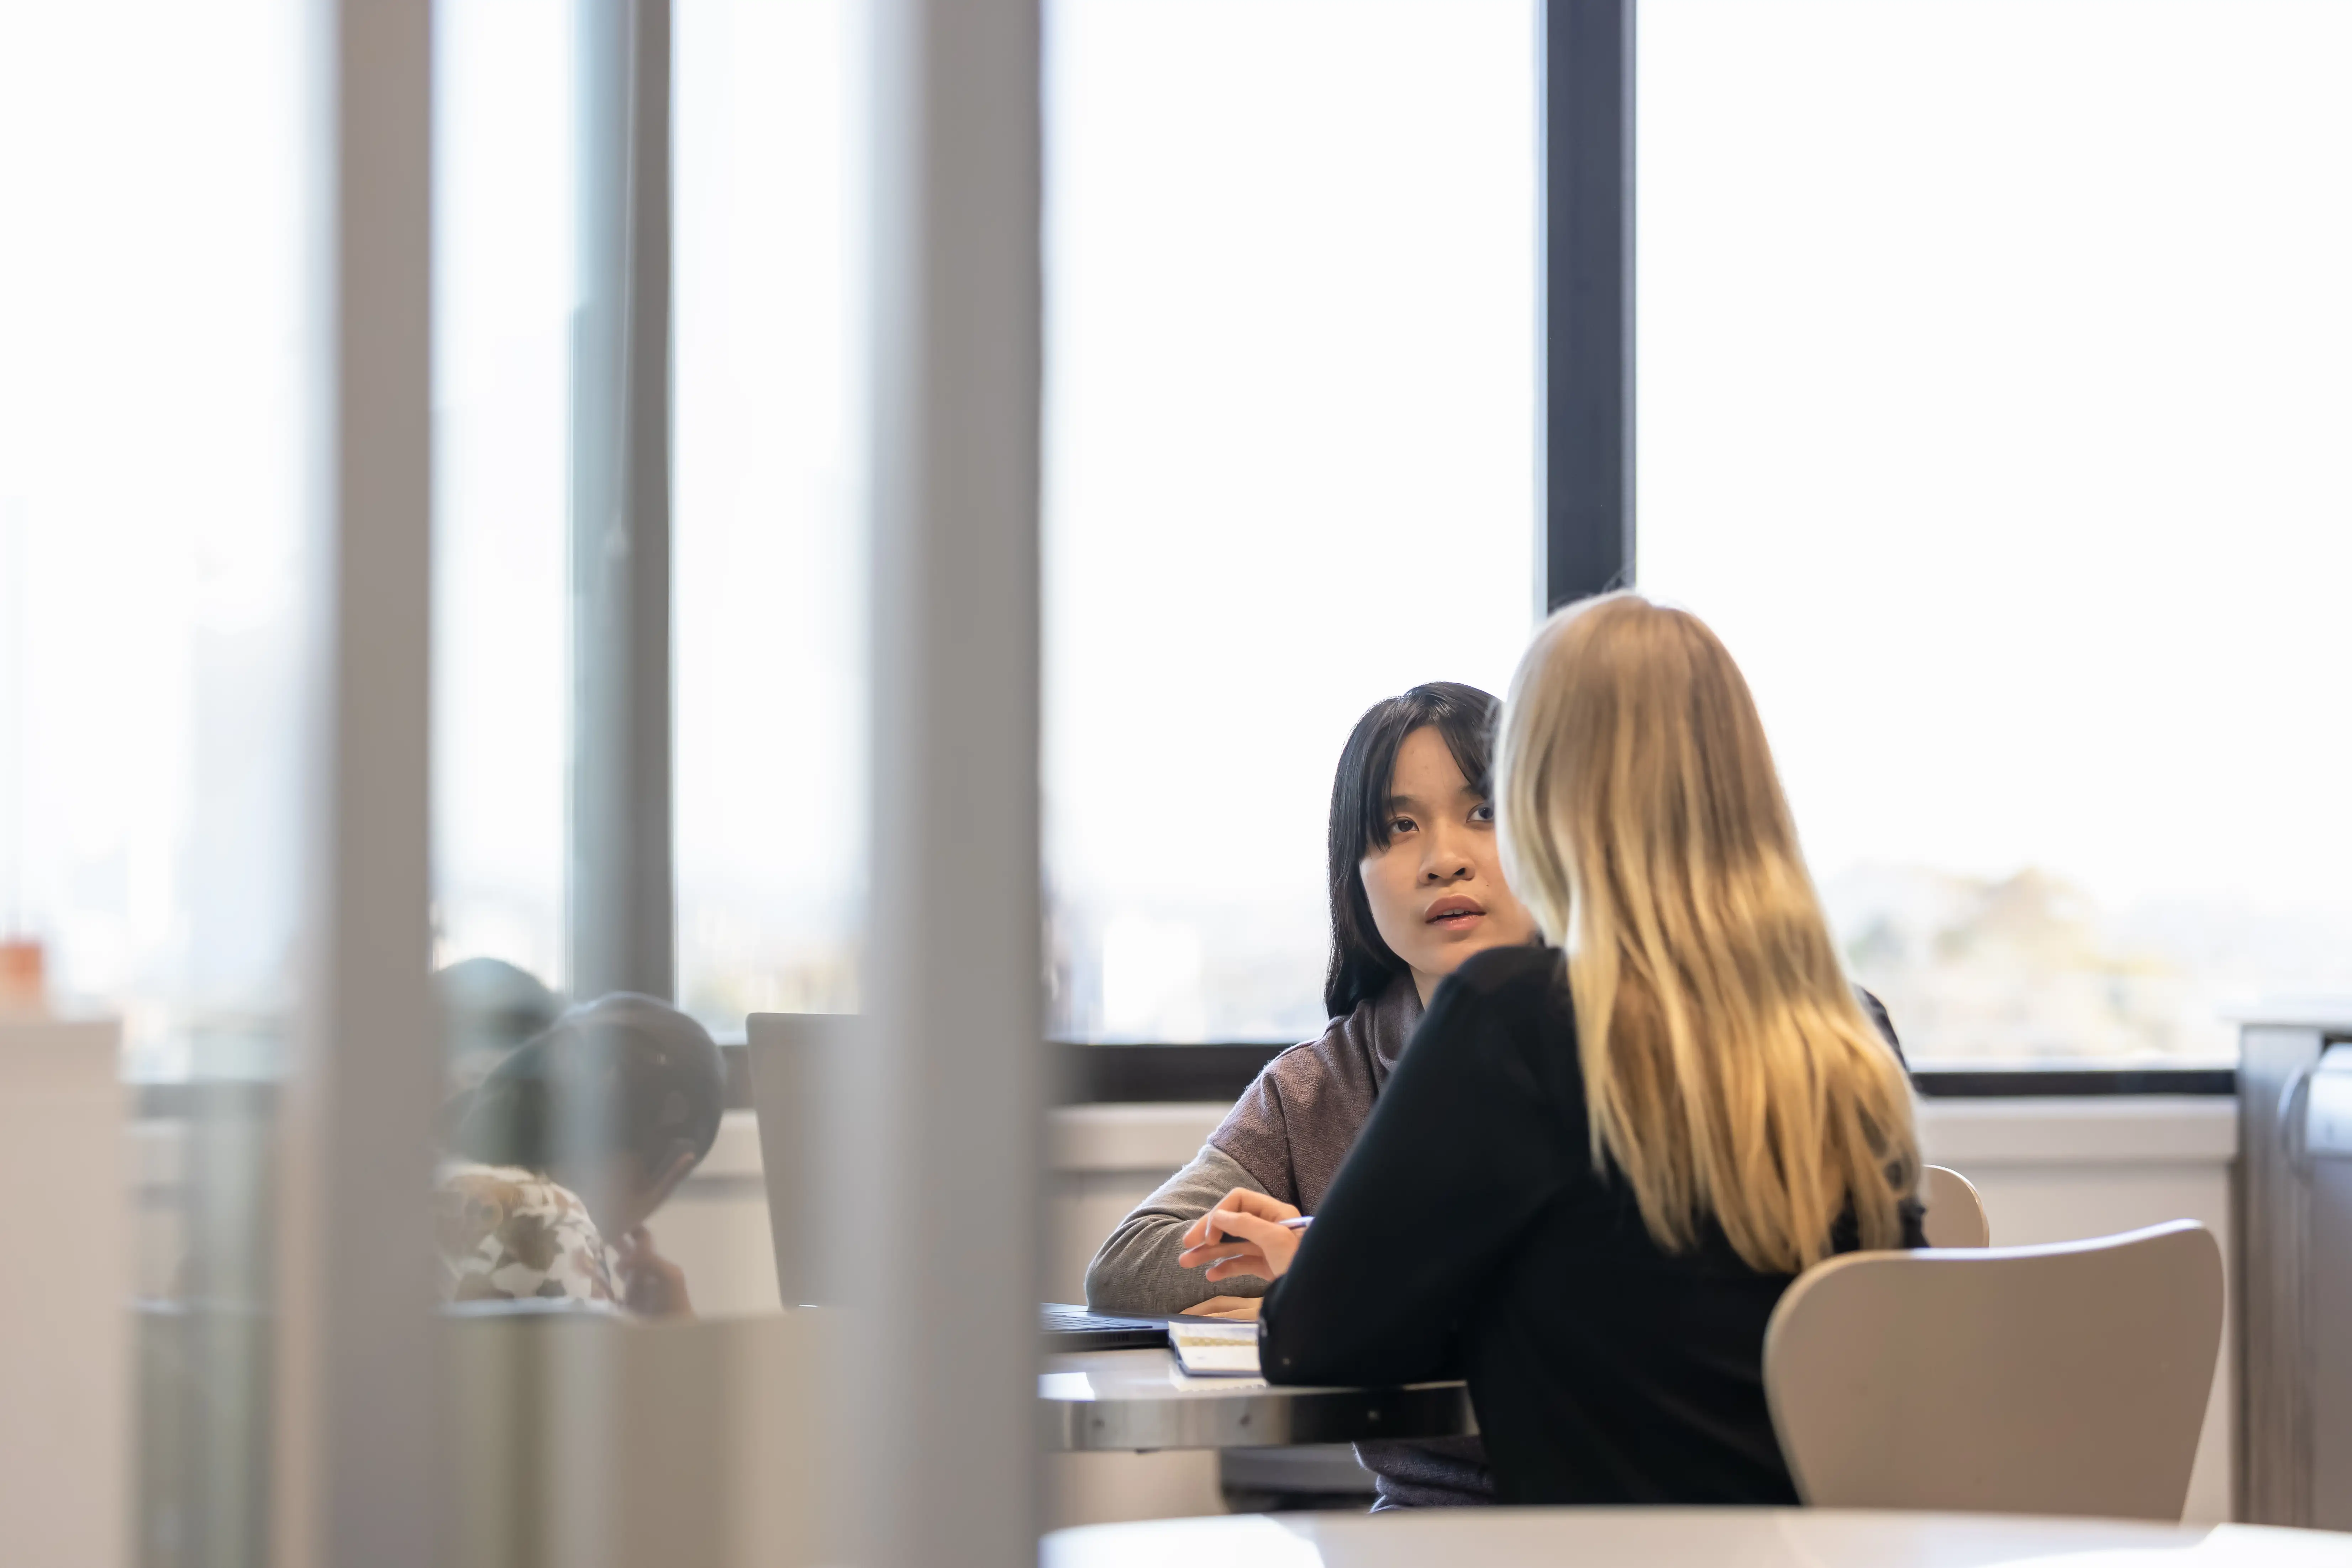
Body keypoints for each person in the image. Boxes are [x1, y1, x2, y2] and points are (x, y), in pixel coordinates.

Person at [1181, 593, 1924, 1506]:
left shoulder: (1511, 1017)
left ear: (1546, 797)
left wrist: (1324, 1264)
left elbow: (1313, 1345)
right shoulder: (1851, 1029)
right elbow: (1883, 1338)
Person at [1085, 681, 1541, 1506]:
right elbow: (1127, 1267)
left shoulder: (1624, 1043)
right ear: (1355, 877)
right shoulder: (1320, 1084)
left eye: (1483, 812)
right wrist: (1312, 1255)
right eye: (1400, 827)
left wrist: (1335, 1273)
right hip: (1421, 1520)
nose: (1445, 856)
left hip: (1622, 1513)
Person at [435, 991, 727, 1318]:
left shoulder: (436, 1167)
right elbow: (586, 1369)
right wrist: (675, 1333)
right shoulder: (546, 1219)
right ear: (670, 1170)